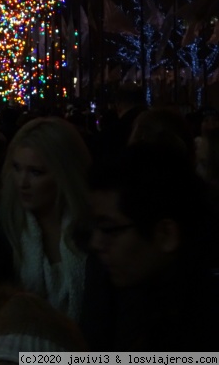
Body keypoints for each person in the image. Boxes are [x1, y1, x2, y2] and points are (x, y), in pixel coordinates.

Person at [82, 142, 219, 351]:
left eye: (109, 229)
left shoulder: (200, 324)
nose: (96, 243)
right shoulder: (129, 290)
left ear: (166, 234)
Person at [0, 116, 92, 325]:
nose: (22, 182)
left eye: (35, 172)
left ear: (65, 174)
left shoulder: (95, 227)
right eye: (16, 167)